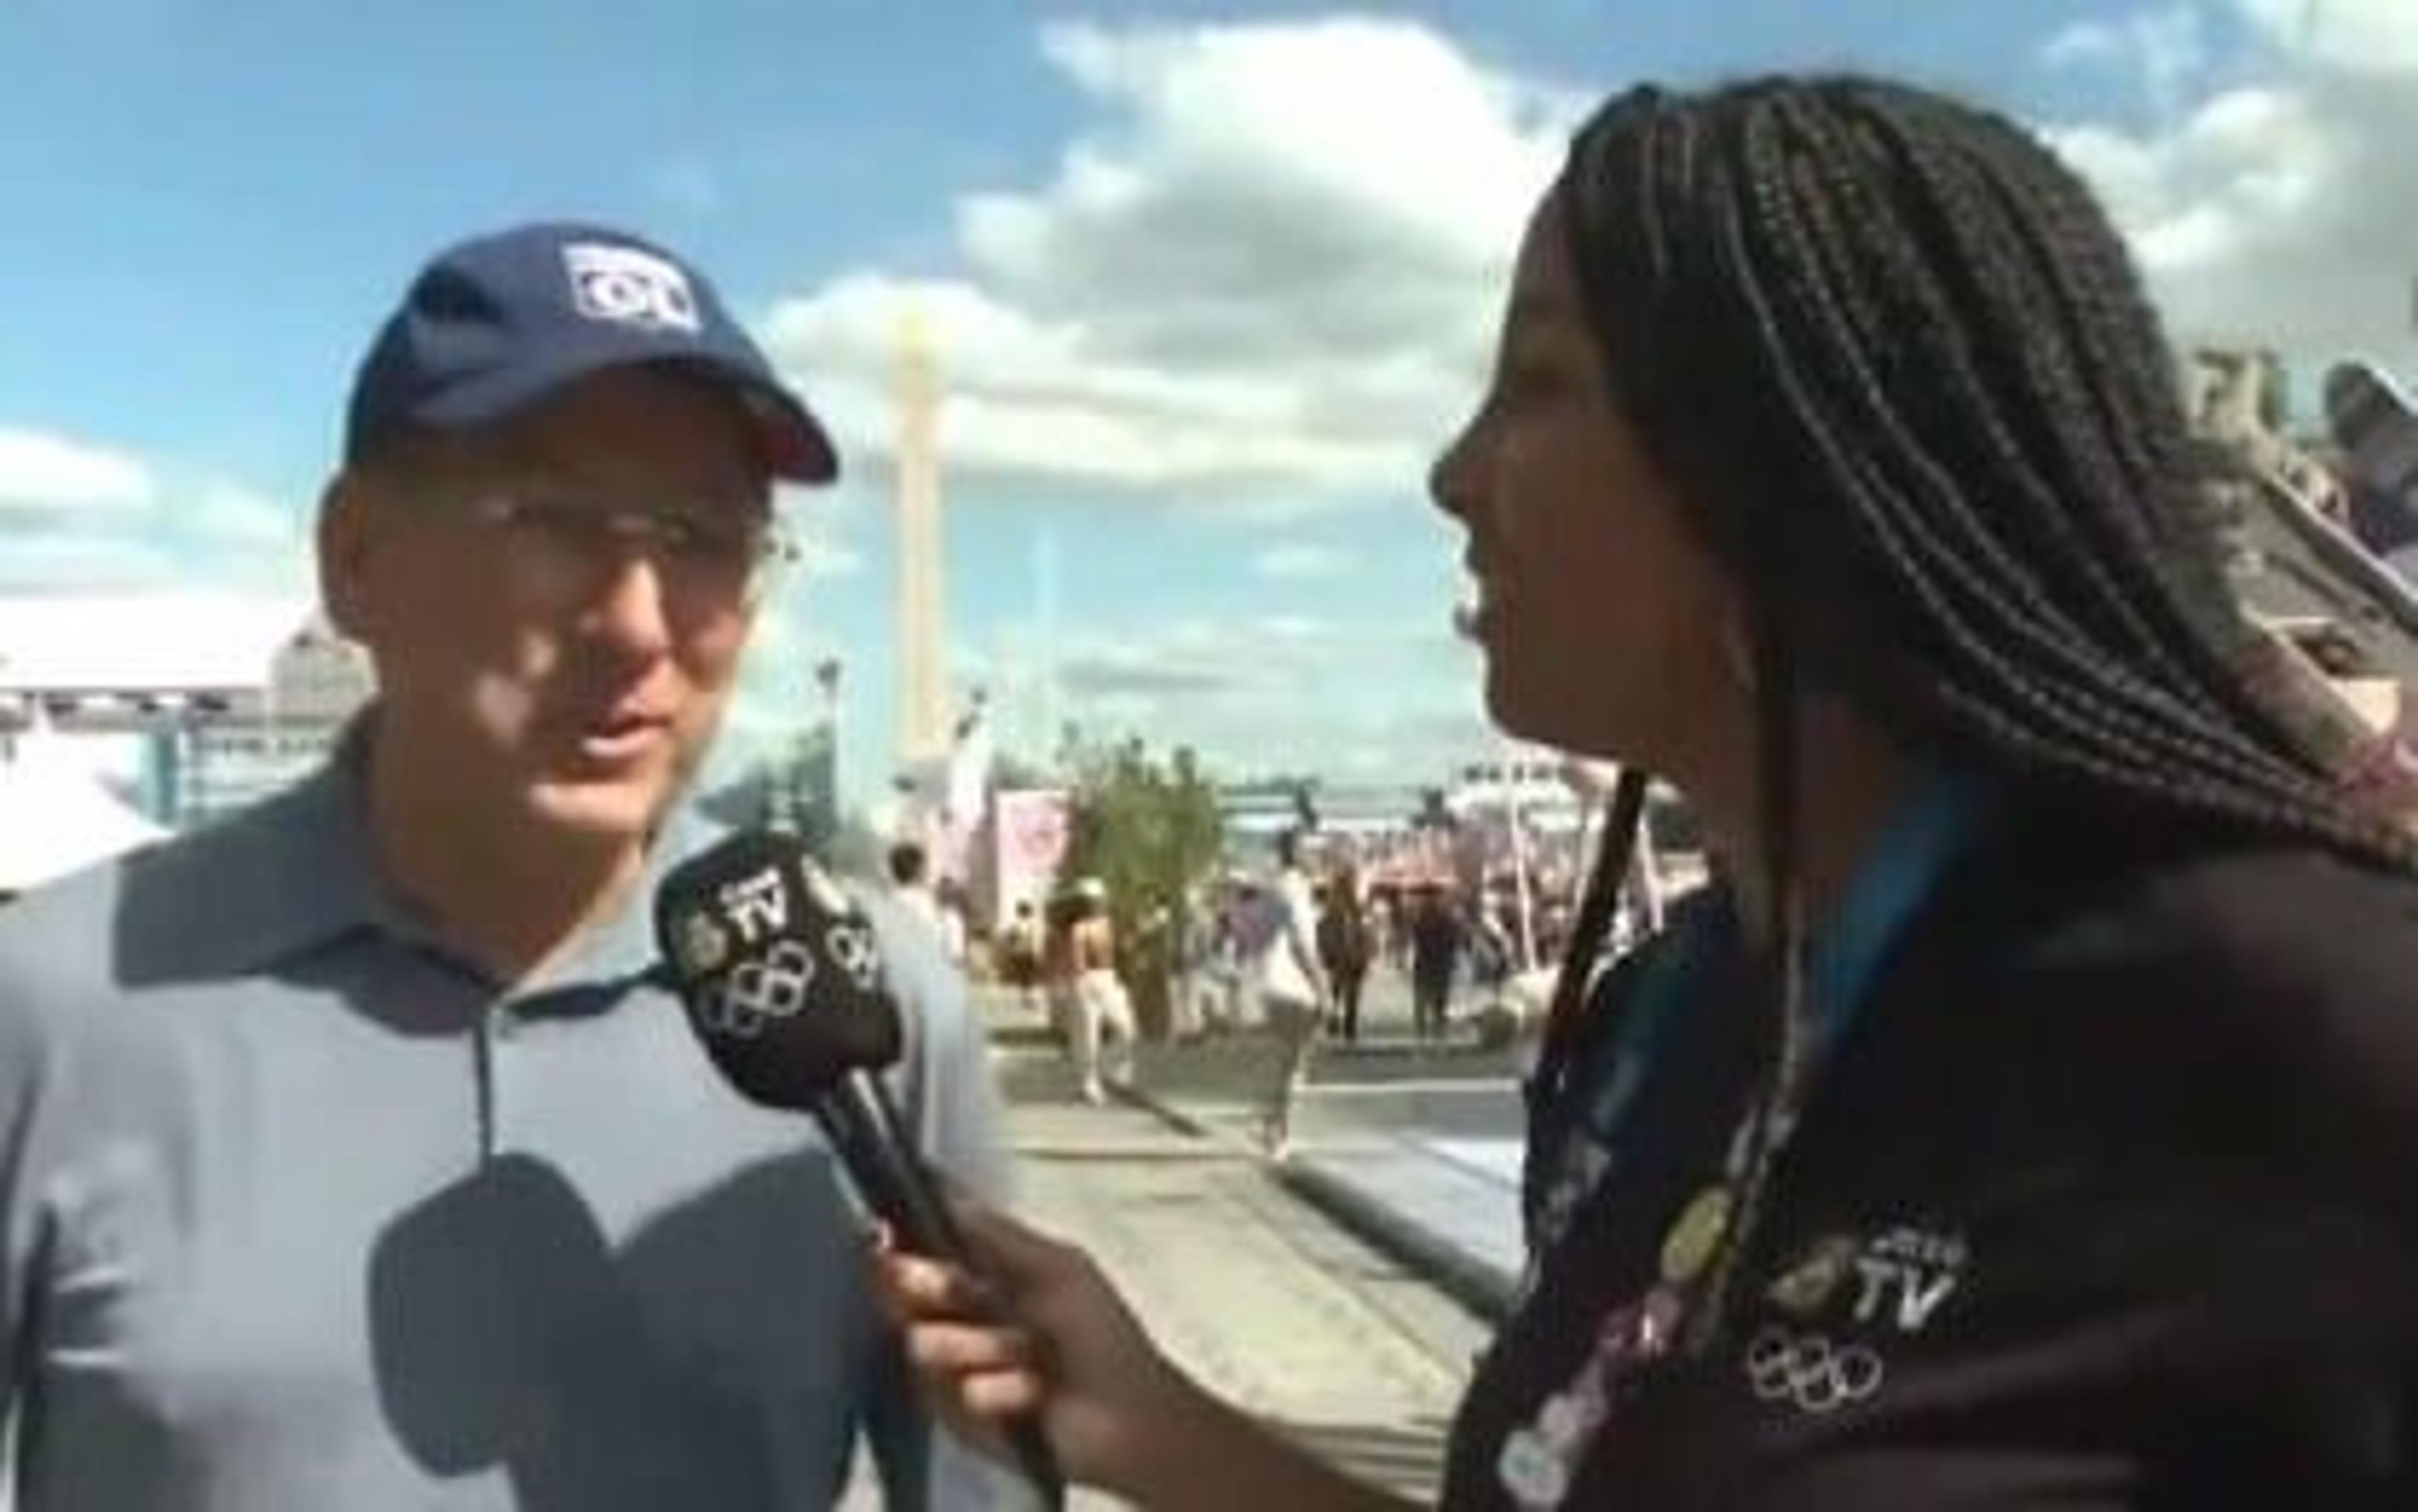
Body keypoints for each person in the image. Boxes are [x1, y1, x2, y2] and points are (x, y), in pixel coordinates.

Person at [873, 74, 2418, 1509]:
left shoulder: (2303, 1024)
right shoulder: (1659, 1018)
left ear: (1789, 472)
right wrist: (1165, 1433)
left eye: (1536, 383)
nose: (1453, 473)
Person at [0, 222, 1021, 1509]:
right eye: (551, 521)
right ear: (355, 558)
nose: (637, 622)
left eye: (705, 537)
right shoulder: (50, 1009)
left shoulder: (877, 1019)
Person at [1249, 828, 1331, 1157]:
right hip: (1290, 983)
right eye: (1311, 851)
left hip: (1276, 981)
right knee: (1293, 1061)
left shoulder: (1279, 886)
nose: (1317, 857)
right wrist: (1321, 986)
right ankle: (1277, 1131)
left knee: (1290, 1061)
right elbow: (1300, 944)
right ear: (1295, 852)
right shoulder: (1293, 889)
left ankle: (1274, 1125)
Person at [1061, 877, 1139, 1105]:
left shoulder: (1110, 924)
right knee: (1087, 1036)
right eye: (1089, 900)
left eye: (1096, 900)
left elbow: (1123, 951)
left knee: (1127, 1028)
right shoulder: (1079, 928)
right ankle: (1089, 1084)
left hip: (1109, 978)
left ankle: (1113, 1070)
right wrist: (1080, 978)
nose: (1093, 904)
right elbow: (1077, 960)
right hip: (1086, 980)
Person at [1314, 865, 1373, 1043]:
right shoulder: (1334, 908)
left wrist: (1365, 952)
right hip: (1341, 957)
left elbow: (1364, 931)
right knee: (1338, 992)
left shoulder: (1356, 907)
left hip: (1352, 957)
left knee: (1347, 993)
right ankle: (1338, 1025)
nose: (1350, 886)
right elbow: (1324, 931)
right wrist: (1328, 954)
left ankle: (1348, 1027)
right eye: (1348, 882)